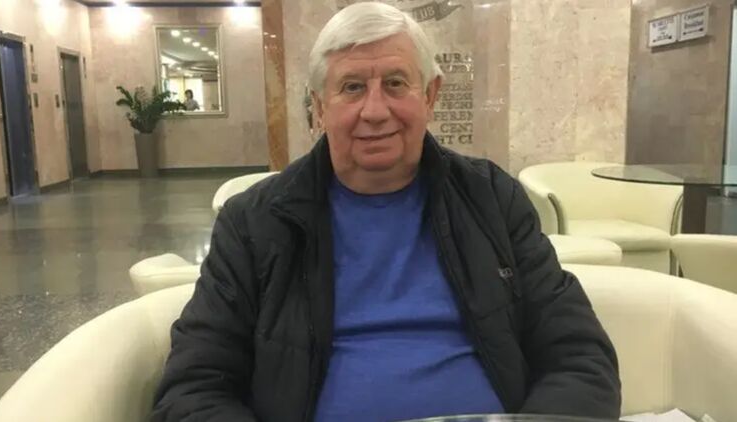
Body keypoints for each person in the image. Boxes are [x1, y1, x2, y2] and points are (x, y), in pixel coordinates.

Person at [152, 3, 621, 422]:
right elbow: (194, 387)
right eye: (352, 87)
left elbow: (580, 356)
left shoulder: (492, 199)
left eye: (395, 84)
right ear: (318, 108)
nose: (375, 110)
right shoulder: (254, 222)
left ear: (430, 96)